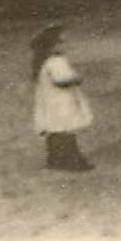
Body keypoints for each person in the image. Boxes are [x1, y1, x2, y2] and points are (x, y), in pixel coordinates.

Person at [30, 24, 94, 172]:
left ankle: (55, 159)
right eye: (60, 42)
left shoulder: (45, 61)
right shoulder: (55, 61)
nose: (64, 45)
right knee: (65, 128)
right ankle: (71, 160)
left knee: (55, 128)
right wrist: (76, 79)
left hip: (52, 100)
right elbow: (60, 80)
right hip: (61, 100)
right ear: (51, 45)